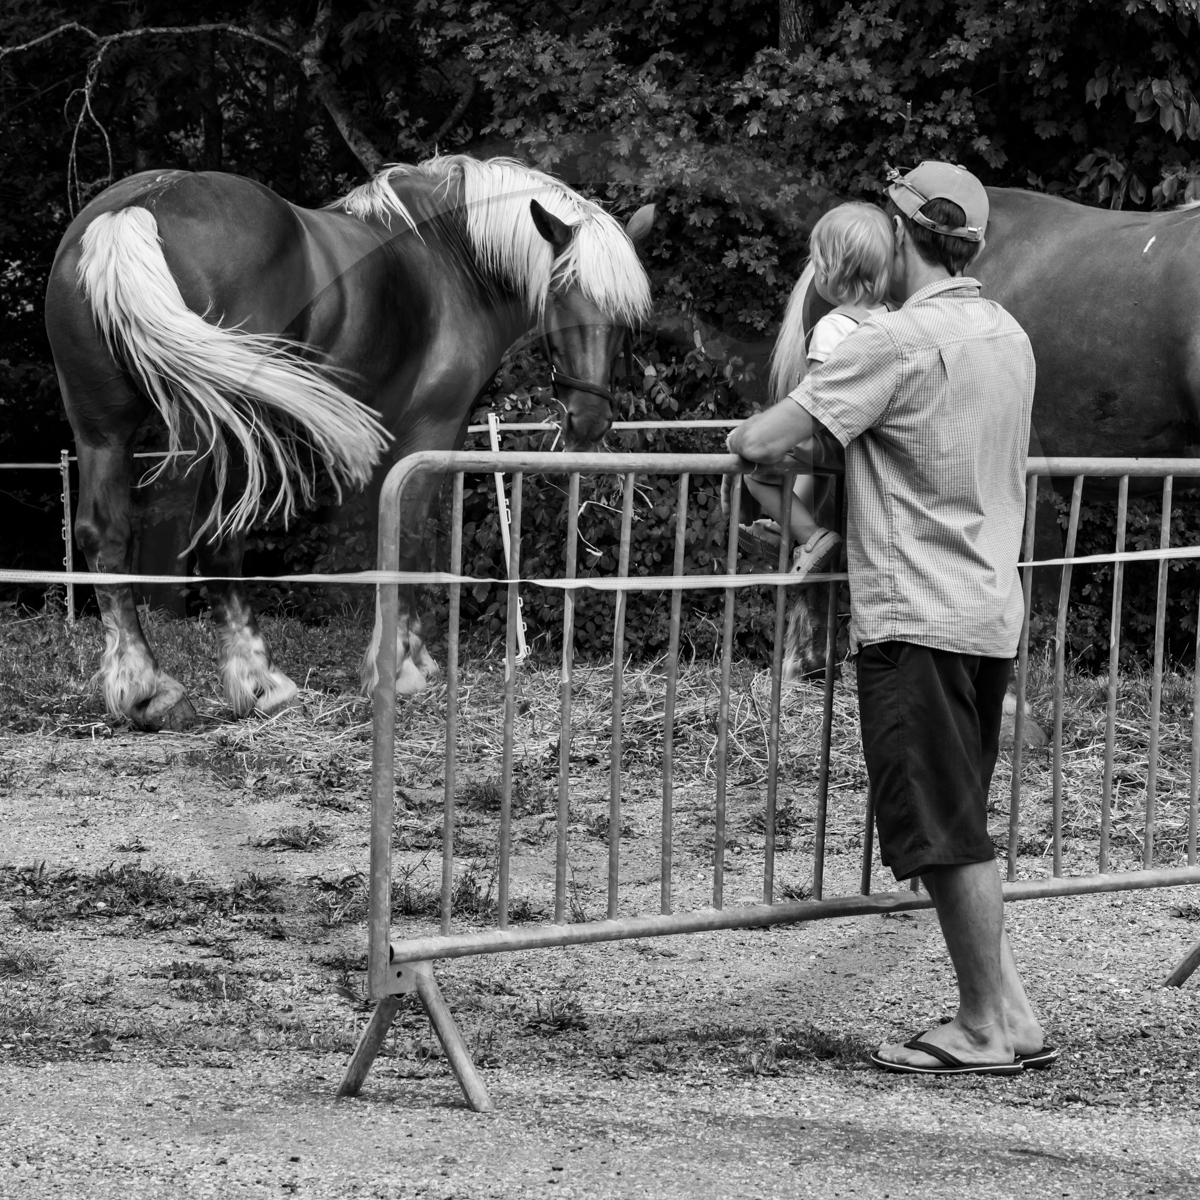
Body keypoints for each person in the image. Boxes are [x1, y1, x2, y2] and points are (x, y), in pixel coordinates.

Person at [728, 161, 1053, 1076]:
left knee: (942, 831)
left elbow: (763, 440)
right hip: (989, 608)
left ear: (905, 235)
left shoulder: (896, 343)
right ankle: (1013, 1014)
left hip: (914, 612)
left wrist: (752, 443)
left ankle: (985, 1024)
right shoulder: (1008, 334)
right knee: (959, 819)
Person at [739, 203, 893, 580]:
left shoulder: (833, 325)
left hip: (837, 438)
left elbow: (819, 399)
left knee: (757, 472)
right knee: (816, 470)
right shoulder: (891, 317)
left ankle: (812, 535)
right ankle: (787, 530)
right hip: (870, 441)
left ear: (826, 273)